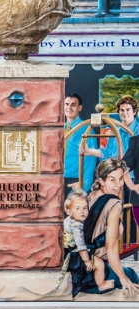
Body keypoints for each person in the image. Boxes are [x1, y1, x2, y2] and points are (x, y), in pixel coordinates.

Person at [76, 158, 139, 297]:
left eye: (121, 179)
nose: (118, 185)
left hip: (80, 266)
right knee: (132, 275)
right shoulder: (114, 204)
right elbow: (110, 249)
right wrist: (123, 277)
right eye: (112, 180)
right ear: (101, 181)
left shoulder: (90, 195)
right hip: (97, 272)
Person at [62, 188, 113, 295]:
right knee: (98, 262)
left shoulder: (68, 221)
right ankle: (101, 284)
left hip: (68, 252)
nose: (82, 211)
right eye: (78, 208)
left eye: (85, 208)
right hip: (76, 255)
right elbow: (81, 246)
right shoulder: (77, 227)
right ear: (69, 211)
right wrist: (87, 261)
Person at [81, 95, 139, 162]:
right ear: (119, 112)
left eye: (128, 110)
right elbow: (107, 154)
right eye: (122, 110)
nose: (125, 113)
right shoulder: (115, 132)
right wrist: (89, 151)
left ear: (134, 112)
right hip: (117, 170)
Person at [64, 93, 97, 195]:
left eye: (73, 105)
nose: (69, 107)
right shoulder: (59, 128)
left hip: (75, 181)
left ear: (80, 108)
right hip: (57, 180)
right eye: (67, 104)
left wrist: (84, 184)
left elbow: (91, 160)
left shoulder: (87, 129)